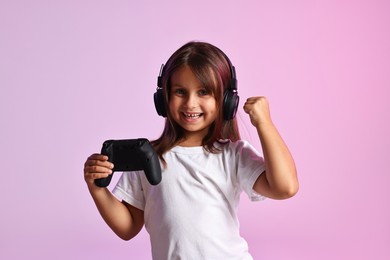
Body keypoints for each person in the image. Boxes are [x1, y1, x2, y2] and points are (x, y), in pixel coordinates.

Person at [84, 41, 298, 259]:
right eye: (180, 91)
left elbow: (285, 187)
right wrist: (98, 189)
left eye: (203, 92)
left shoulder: (233, 154)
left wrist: (265, 124)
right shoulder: (147, 156)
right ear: (163, 97)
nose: (190, 103)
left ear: (227, 100)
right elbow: (128, 227)